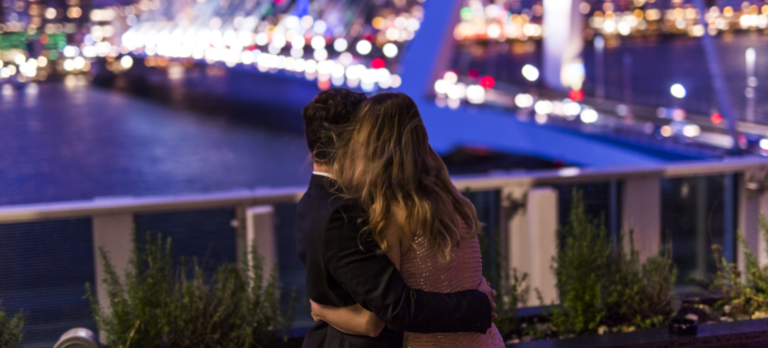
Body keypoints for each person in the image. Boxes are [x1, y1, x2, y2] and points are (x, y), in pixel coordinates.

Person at [296, 88, 497, 348]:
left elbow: (382, 314)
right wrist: (476, 303)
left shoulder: (315, 203)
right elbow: (387, 312)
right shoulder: (347, 211)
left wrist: (321, 311)